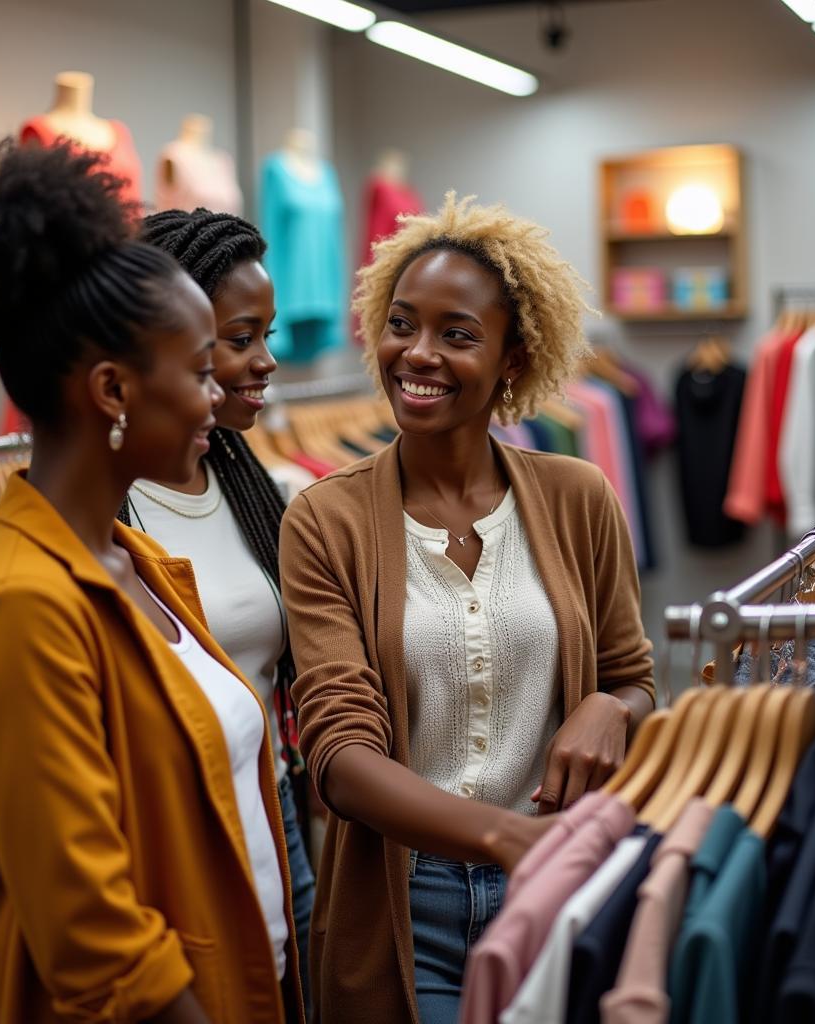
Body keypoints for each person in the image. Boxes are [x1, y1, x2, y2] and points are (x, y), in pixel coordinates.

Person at [0, 141, 302, 1023]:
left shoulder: (139, 564)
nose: (214, 399)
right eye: (198, 371)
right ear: (113, 390)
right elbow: (95, 941)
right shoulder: (21, 607)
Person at [279, 193, 655, 1024]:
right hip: (406, 904)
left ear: (514, 358)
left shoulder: (577, 496)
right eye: (402, 323)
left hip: (560, 885)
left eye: (457, 334)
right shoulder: (324, 518)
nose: (418, 354)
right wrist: (504, 838)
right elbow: (338, 756)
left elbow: (634, 676)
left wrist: (607, 705)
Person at [118, 208, 315, 1013]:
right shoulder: (111, 506)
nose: (265, 361)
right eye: (239, 340)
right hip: (176, 842)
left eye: (265, 335)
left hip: (277, 817)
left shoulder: (251, 482)